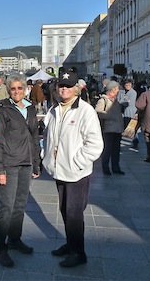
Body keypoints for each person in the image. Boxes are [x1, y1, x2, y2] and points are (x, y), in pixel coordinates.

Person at [42, 71, 103, 268]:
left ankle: (79, 253)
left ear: (76, 88)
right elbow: (48, 136)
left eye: (68, 85)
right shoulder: (54, 109)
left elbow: (94, 144)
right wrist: (47, 156)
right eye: (62, 85)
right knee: (64, 209)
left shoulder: (85, 111)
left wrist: (77, 162)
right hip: (59, 169)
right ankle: (70, 245)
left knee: (74, 212)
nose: (64, 89)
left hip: (77, 172)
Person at [0, 75, 41, 268]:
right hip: (9, 165)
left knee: (20, 205)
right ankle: (0, 248)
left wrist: (36, 163)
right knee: (6, 208)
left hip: (26, 164)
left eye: (20, 88)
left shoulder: (30, 108)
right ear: (9, 90)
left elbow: (35, 136)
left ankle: (14, 239)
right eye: (13, 88)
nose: (17, 91)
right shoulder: (2, 111)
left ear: (25, 89)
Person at [96, 81, 125, 175]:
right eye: (117, 88)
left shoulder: (115, 100)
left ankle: (116, 167)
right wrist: (109, 115)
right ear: (112, 89)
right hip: (108, 128)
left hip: (117, 128)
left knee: (116, 149)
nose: (118, 90)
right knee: (107, 149)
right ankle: (105, 167)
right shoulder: (103, 100)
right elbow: (97, 112)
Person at [117, 79, 139, 151]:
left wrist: (123, 100)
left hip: (131, 112)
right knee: (122, 128)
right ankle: (119, 143)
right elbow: (118, 100)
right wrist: (124, 100)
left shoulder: (133, 92)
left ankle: (135, 141)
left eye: (129, 85)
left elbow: (128, 102)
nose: (128, 86)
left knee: (132, 128)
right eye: (126, 85)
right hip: (122, 113)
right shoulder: (121, 92)